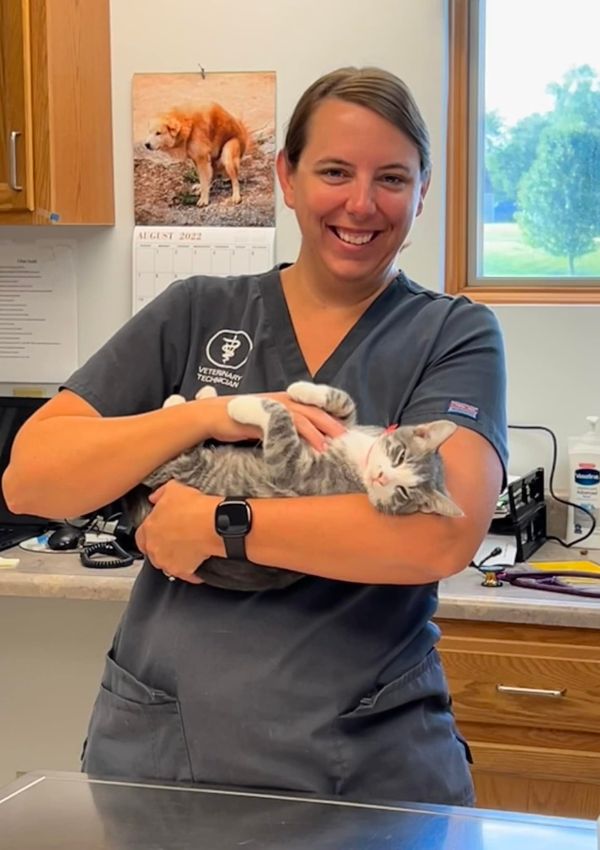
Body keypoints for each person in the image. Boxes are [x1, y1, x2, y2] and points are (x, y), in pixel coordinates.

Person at [2, 66, 507, 806]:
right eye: (334, 171)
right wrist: (207, 415)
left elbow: (439, 533)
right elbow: (32, 478)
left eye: (392, 178)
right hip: (168, 748)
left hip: (367, 758)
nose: (361, 204)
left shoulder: (452, 333)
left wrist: (220, 524)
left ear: (424, 192)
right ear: (286, 176)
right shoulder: (196, 311)